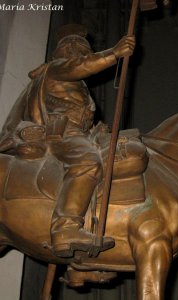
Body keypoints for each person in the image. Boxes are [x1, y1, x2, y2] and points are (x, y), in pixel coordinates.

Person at [0, 24, 135, 257]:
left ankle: (83, 259)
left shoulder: (74, 83)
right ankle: (65, 228)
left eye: (84, 50)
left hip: (77, 132)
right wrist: (113, 53)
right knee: (88, 162)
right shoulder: (57, 69)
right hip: (62, 132)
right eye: (80, 50)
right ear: (67, 52)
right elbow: (82, 66)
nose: (83, 54)